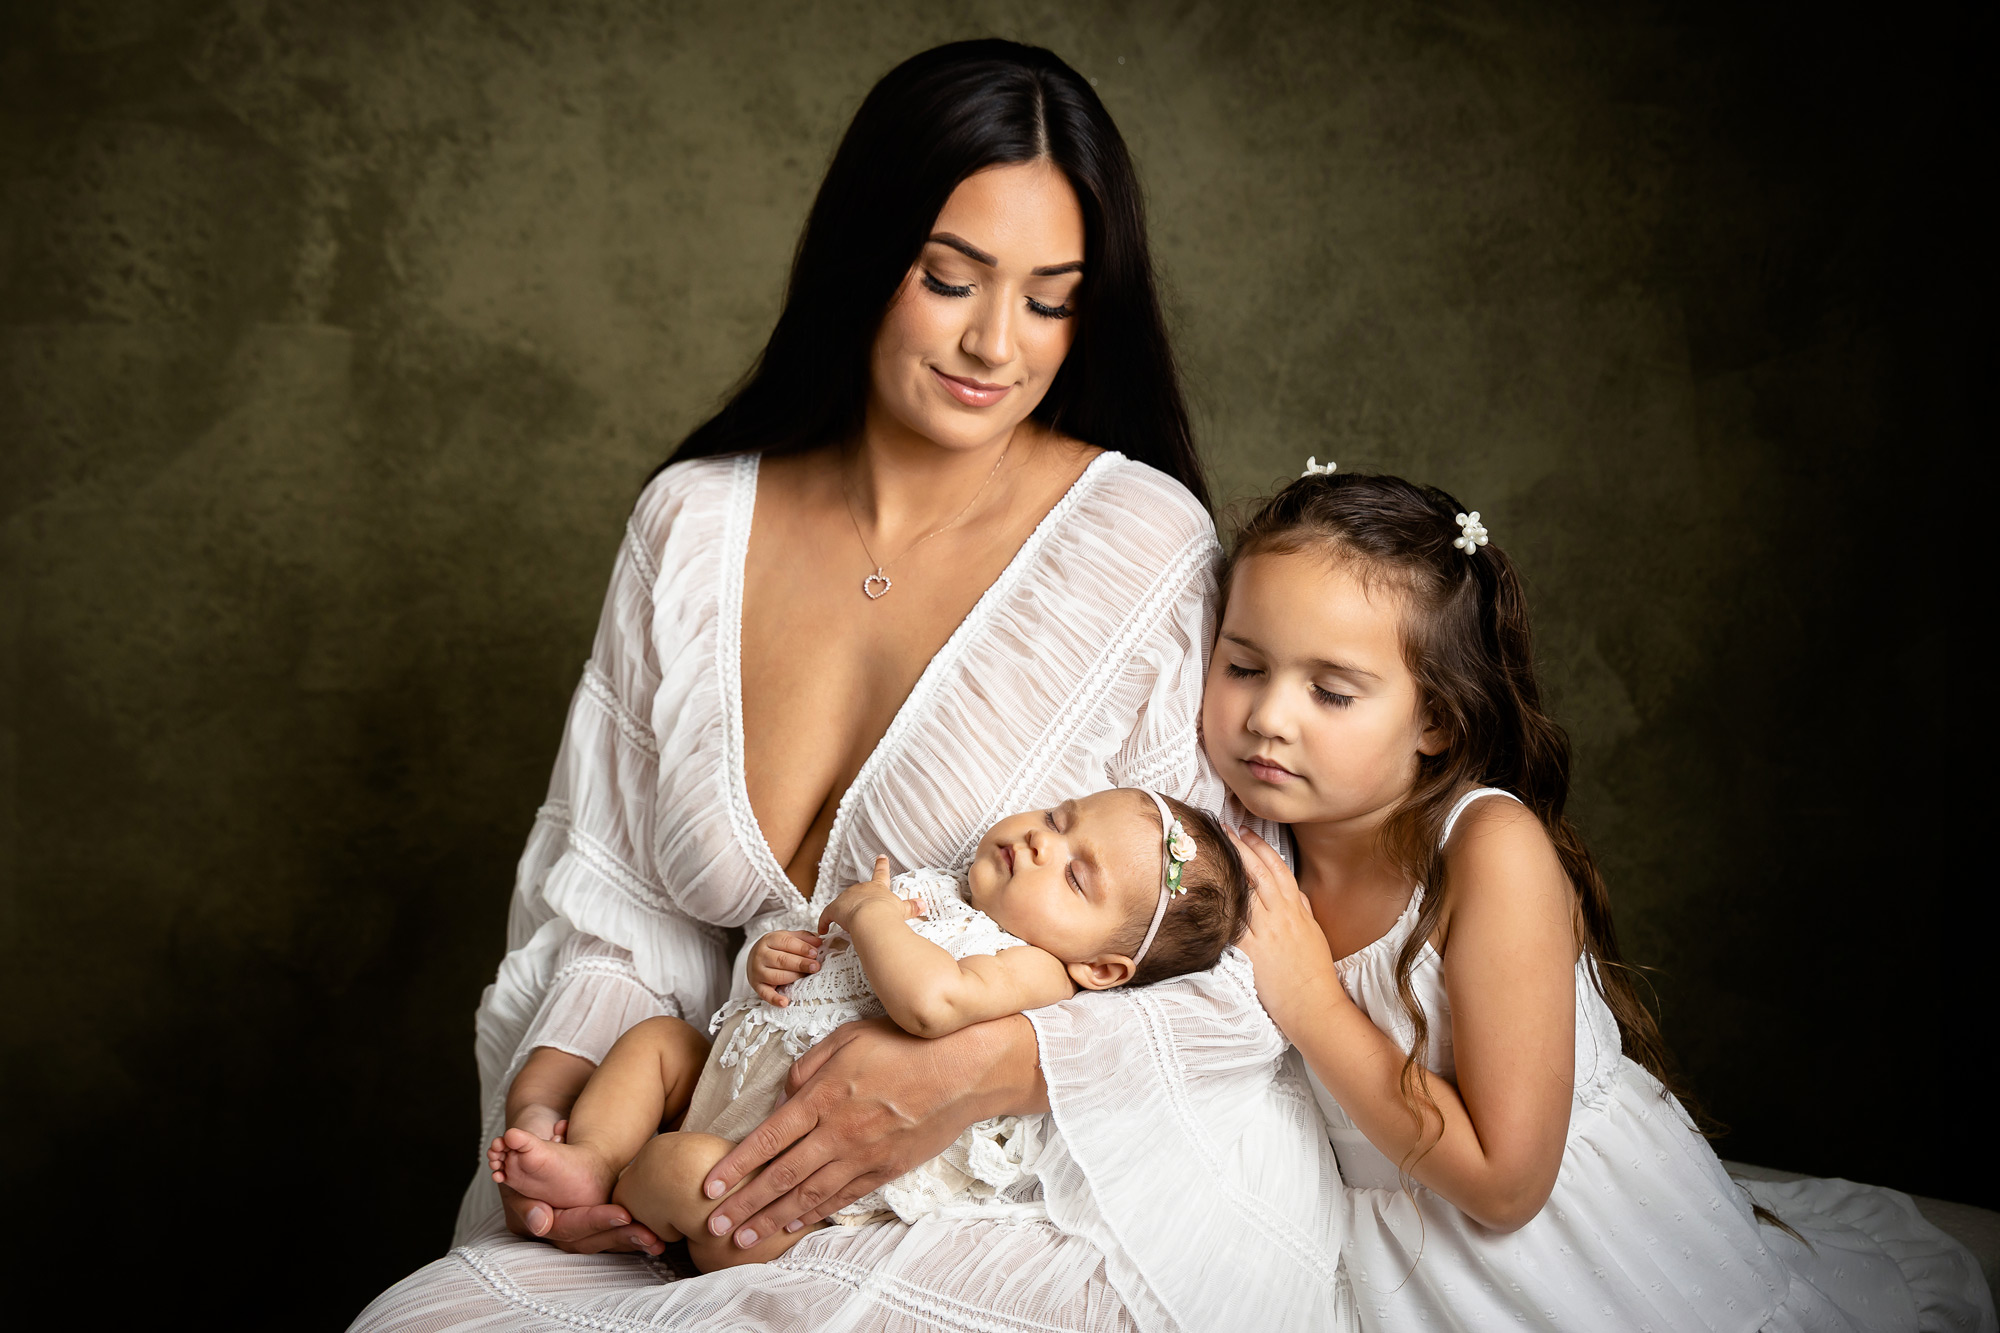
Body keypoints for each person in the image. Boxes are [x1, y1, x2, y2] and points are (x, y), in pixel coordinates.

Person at [355, 40, 1349, 1333]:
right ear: (863, 255)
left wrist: (989, 1064)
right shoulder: (689, 528)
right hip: (713, 1169)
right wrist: (554, 1104)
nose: (1000, 343)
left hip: (1030, 1199)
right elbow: (609, 903)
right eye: (951, 280)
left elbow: (1232, 959)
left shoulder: (1142, 547)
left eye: (1051, 299)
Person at [1209, 466, 1997, 1330]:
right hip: (1391, 1262)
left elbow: (1508, 1185)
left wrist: (1313, 999)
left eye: (1331, 690)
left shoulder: (1486, 851)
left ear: (1436, 718)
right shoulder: (1249, 832)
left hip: (1559, 1258)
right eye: (1244, 666)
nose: (1269, 717)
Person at [486, 793, 1248, 1273]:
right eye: (1058, 816)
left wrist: (872, 913)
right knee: (658, 1041)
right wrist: (773, 959)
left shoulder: (1037, 970)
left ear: (1104, 970)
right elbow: (828, 970)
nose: (1044, 843)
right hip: (726, 1076)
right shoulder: (939, 890)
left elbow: (928, 1002)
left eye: (1077, 877)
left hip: (764, 1186)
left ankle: (621, 1192)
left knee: (678, 1160)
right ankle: (588, 1154)